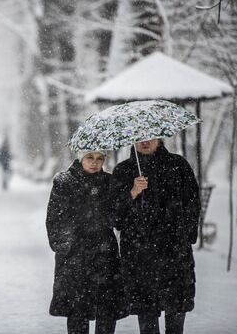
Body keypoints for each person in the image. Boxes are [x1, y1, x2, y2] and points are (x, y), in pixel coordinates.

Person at [110, 139, 201, 334]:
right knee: (147, 316)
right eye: (139, 137)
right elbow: (115, 217)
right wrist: (132, 192)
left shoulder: (178, 165)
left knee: (176, 311)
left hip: (174, 252)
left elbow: (192, 203)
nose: (144, 141)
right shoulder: (123, 171)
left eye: (149, 136)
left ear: (159, 138)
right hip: (139, 255)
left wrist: (185, 235)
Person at [46, 151, 126, 334]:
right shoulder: (64, 182)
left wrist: (132, 193)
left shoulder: (110, 182)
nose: (94, 163)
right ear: (81, 158)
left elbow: (118, 217)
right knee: (77, 314)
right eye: (90, 157)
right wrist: (67, 246)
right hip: (75, 259)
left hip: (105, 257)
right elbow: (54, 220)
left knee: (106, 312)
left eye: (100, 159)